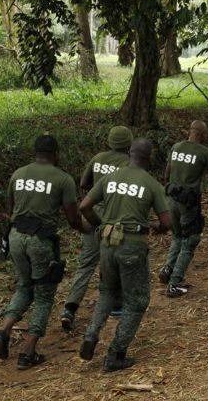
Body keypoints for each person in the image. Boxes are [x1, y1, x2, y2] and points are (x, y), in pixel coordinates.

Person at [0, 135, 84, 370]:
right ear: (56, 154)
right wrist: (89, 228)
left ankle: (3, 331)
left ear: (35, 153)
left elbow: (11, 209)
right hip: (40, 241)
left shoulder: (18, 174)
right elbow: (73, 218)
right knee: (44, 295)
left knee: (24, 285)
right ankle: (28, 351)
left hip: (15, 237)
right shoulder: (63, 179)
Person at [78, 139, 171, 372]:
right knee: (136, 300)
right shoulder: (151, 183)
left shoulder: (109, 178)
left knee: (107, 291)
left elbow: (84, 206)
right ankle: (116, 354)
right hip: (132, 246)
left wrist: (101, 224)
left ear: (129, 153)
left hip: (107, 243)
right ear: (149, 158)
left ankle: (91, 334)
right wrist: (157, 227)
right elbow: (167, 221)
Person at [61, 126, 133, 331]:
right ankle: (115, 305)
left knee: (86, 264)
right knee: (112, 260)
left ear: (109, 141)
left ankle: (69, 308)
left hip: (92, 215)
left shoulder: (98, 158)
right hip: (114, 217)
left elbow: (84, 183)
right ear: (129, 144)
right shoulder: (129, 164)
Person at [158, 121, 208, 297]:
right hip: (188, 203)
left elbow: (166, 174)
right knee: (190, 240)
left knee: (177, 236)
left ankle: (168, 268)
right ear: (201, 134)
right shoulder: (204, 152)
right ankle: (174, 283)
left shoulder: (176, 147)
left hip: (171, 198)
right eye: (206, 133)